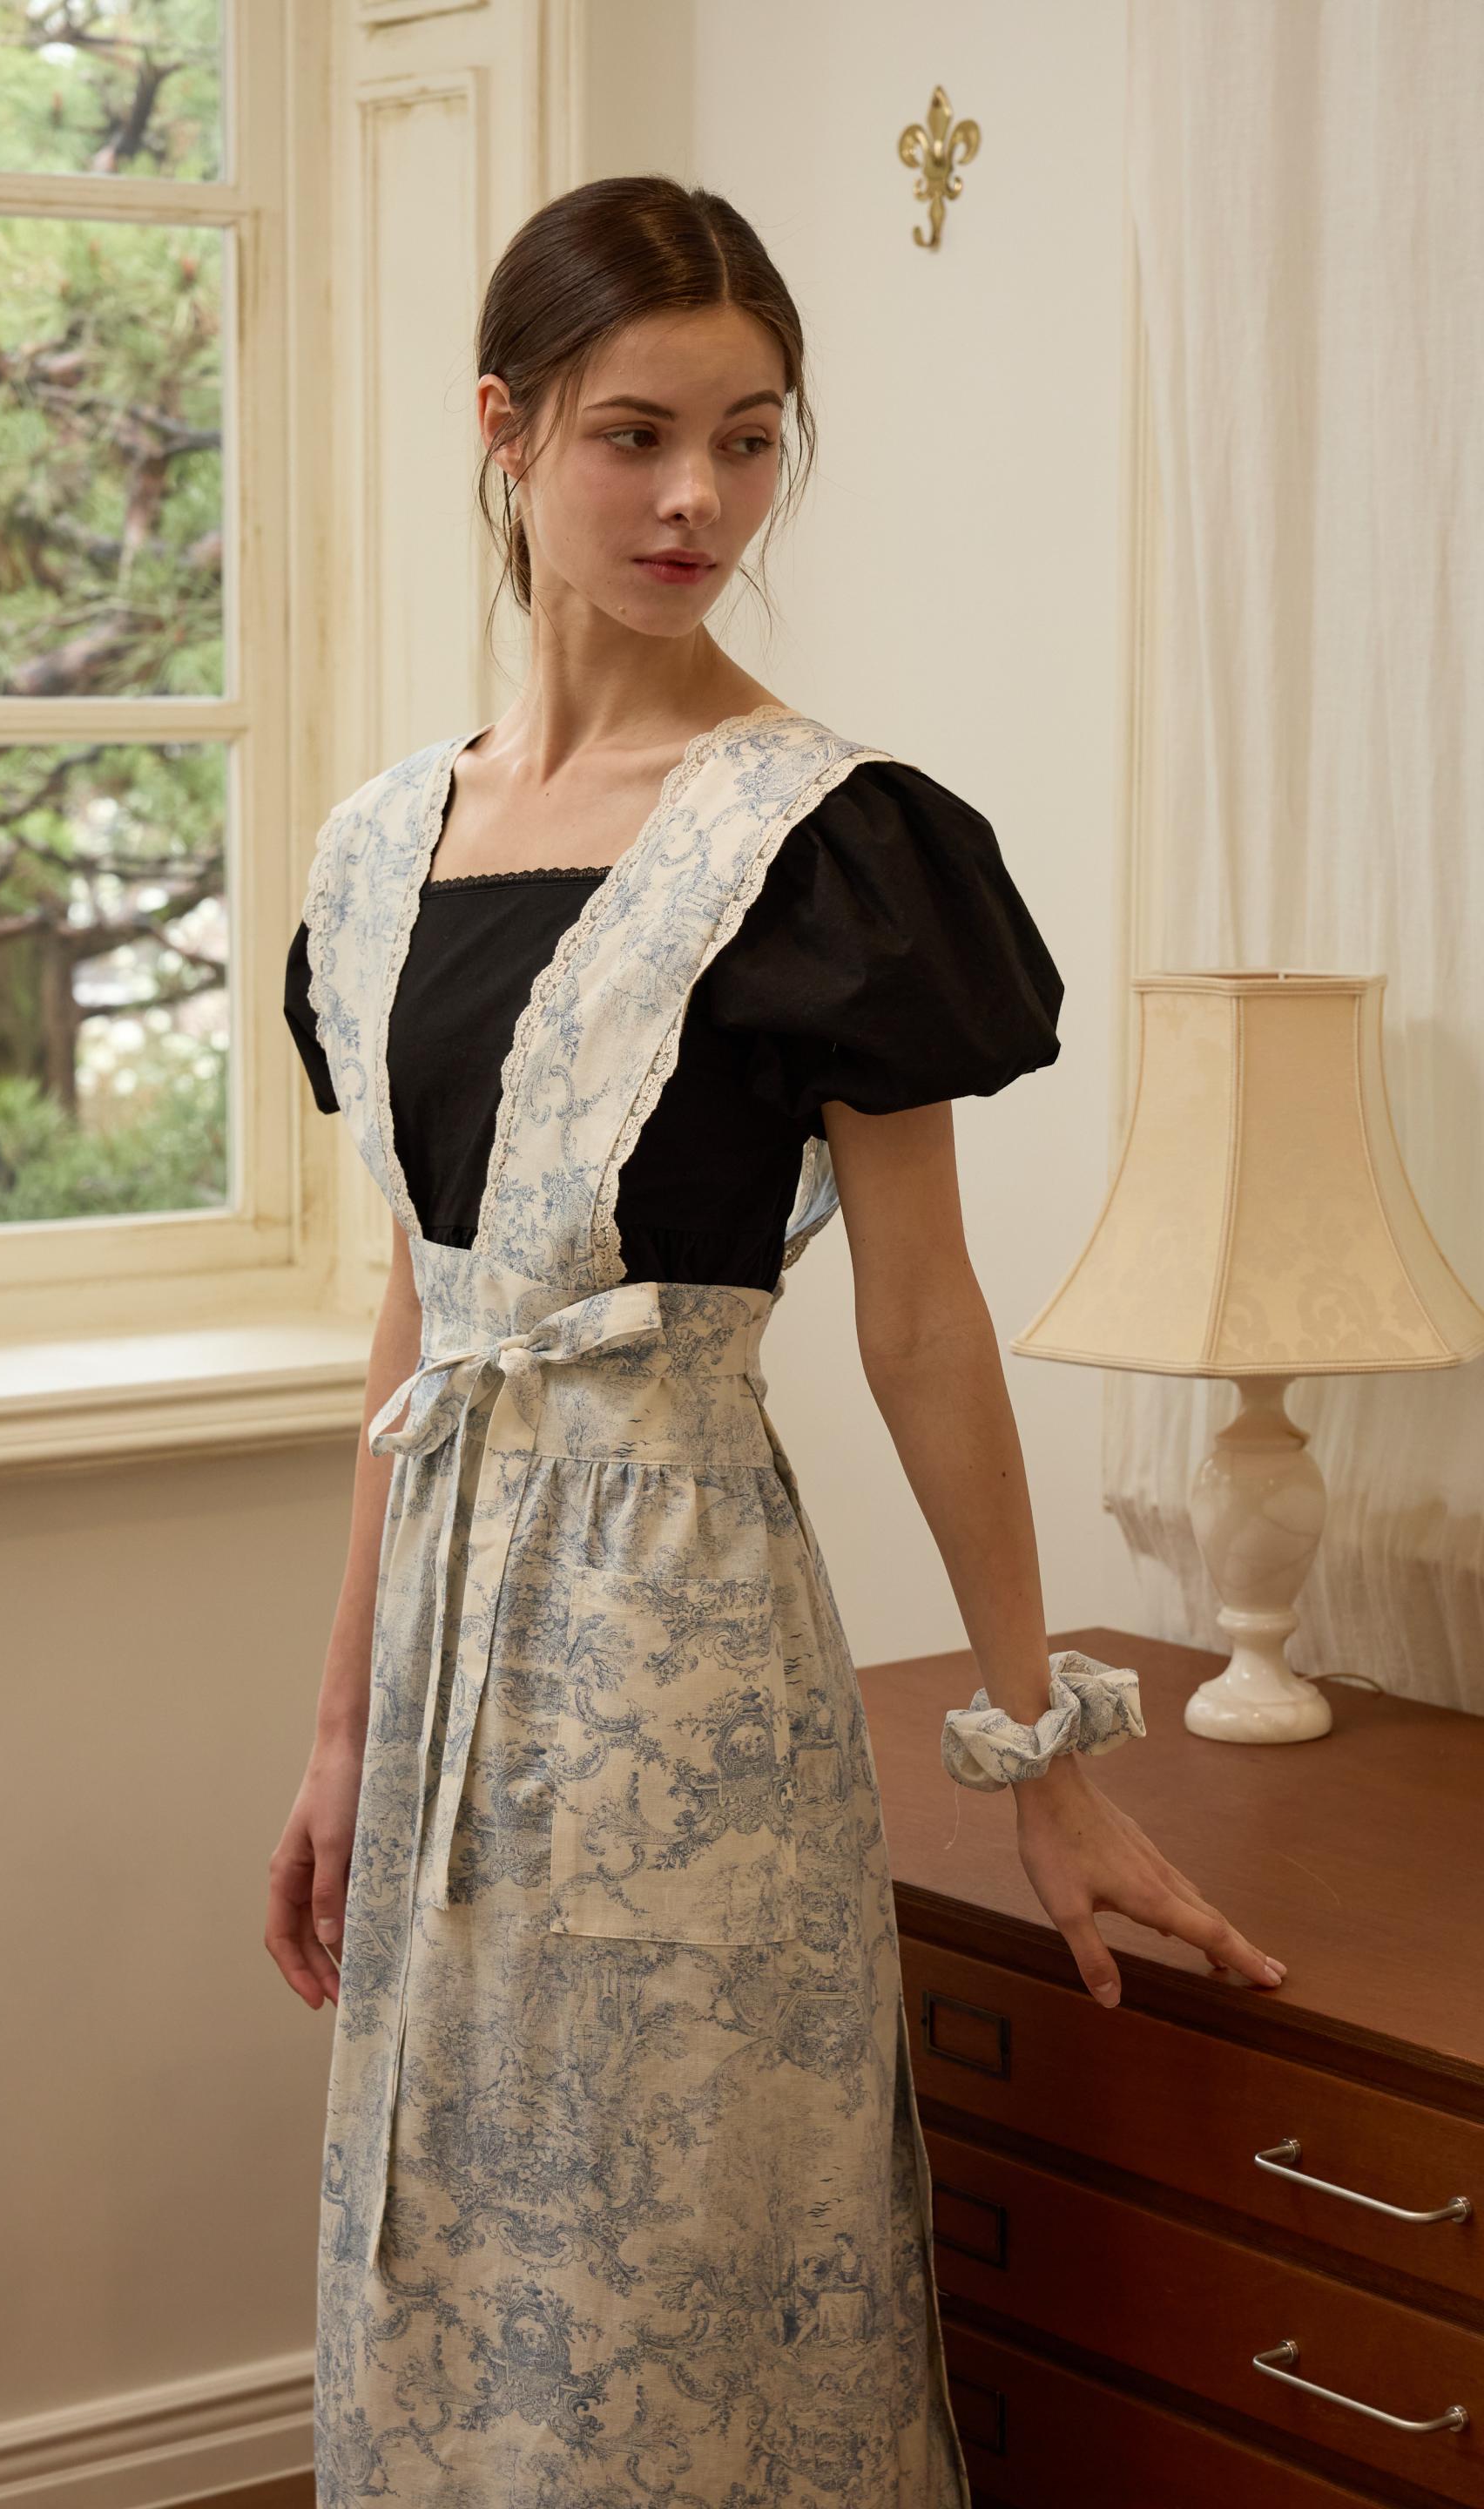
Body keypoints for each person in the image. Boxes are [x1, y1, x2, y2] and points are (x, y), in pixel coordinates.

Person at [271, 173, 1286, 2508]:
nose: (697, 503)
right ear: (507, 431)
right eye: (635, 436)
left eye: (747, 441)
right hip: (443, 1666)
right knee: (455, 2267)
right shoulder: (379, 850)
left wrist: (1041, 1754)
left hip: (682, 1655)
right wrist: (338, 1730)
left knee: (683, 2274)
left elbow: (923, 1321)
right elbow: (421, 1318)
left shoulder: (833, 842)